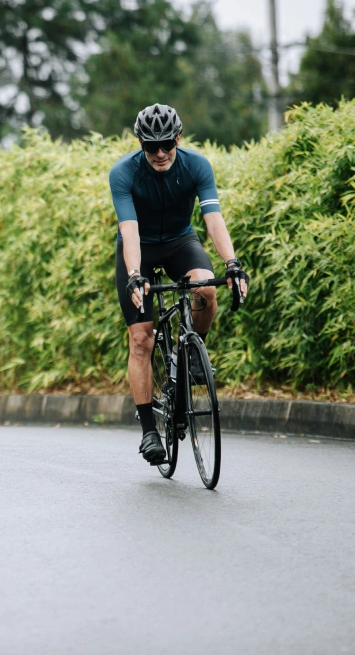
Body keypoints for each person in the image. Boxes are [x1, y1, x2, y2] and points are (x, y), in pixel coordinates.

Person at [109, 105, 249, 464]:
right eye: (151, 146)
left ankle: (192, 352)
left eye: (167, 144)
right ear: (139, 142)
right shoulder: (123, 173)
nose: (159, 153)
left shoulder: (197, 165)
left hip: (179, 243)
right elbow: (129, 230)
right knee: (142, 338)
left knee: (205, 289)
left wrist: (231, 263)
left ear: (178, 139)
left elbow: (213, 219)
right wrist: (136, 274)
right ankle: (148, 432)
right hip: (138, 249)